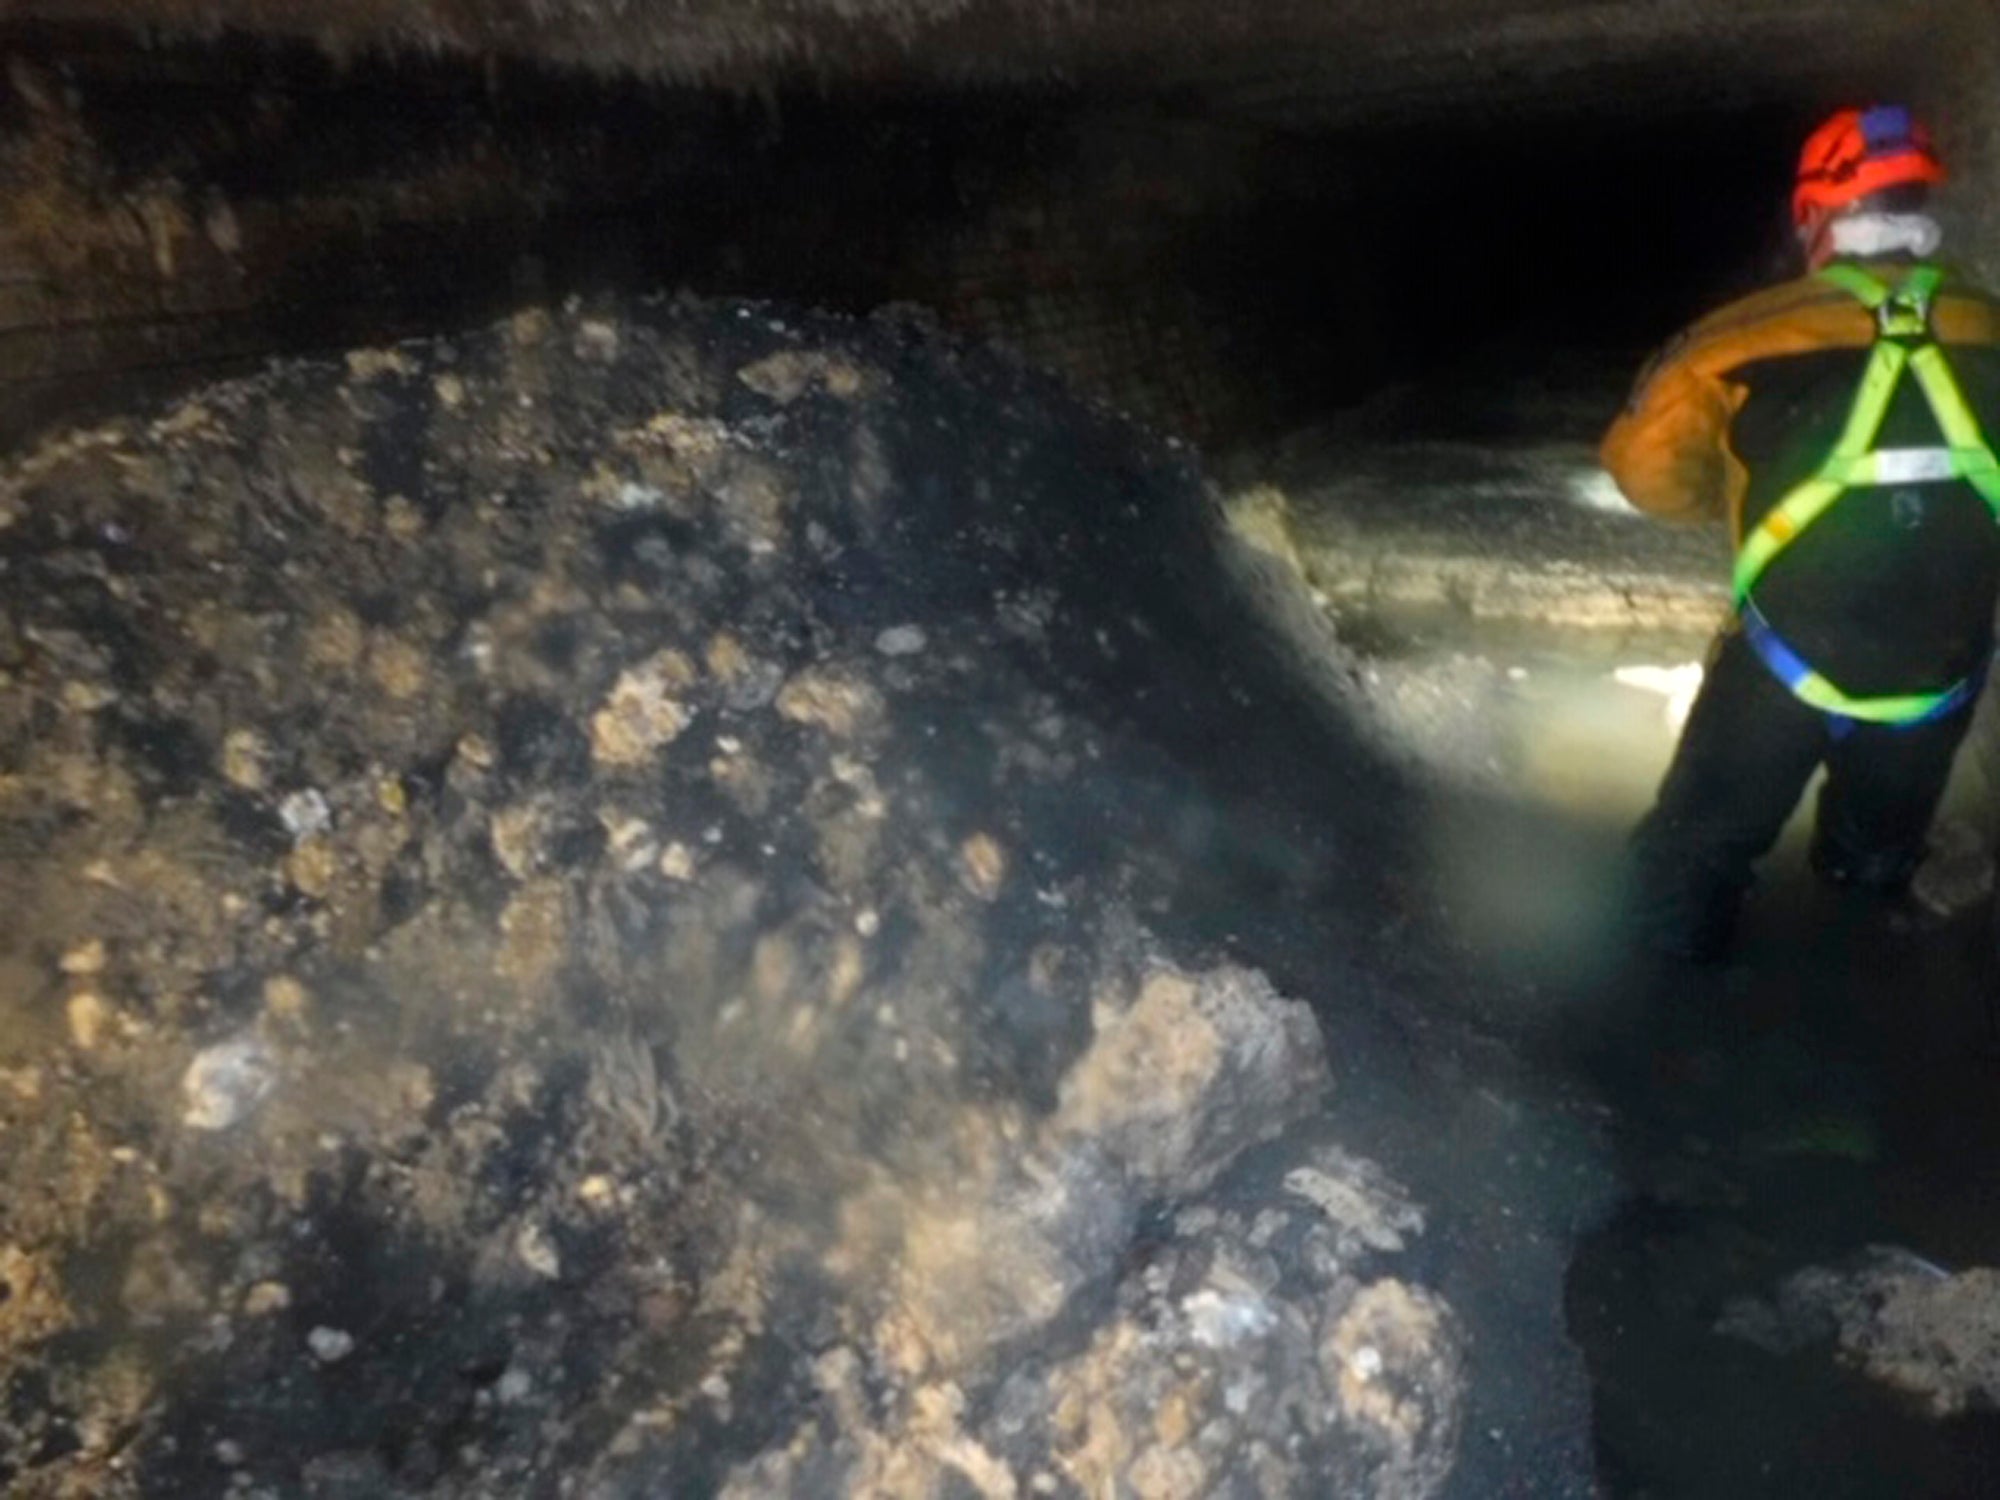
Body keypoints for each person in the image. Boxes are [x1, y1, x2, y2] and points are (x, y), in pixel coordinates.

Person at [1602, 105, 2000, 961]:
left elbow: (1642, 470)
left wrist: (1744, 494)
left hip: (1785, 665)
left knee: (1686, 870)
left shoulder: (1740, 337)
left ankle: (1658, 1047)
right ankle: (1866, 985)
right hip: (1941, 676)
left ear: (1813, 216)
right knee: (1871, 875)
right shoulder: (1992, 323)